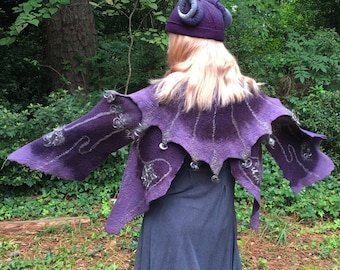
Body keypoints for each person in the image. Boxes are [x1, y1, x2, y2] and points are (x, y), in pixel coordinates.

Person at [8, 0, 334, 269]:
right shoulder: (250, 101)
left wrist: (34, 153)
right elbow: (295, 141)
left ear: (182, 44)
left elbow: (88, 132)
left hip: (171, 224)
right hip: (218, 221)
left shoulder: (156, 101)